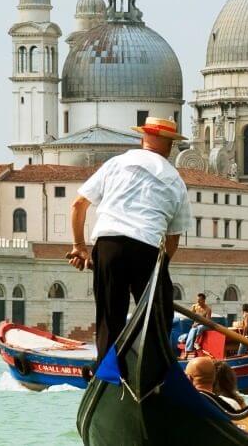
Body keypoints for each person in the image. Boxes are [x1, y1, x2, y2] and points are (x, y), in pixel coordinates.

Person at [68, 117, 192, 365]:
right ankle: (152, 371)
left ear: (142, 139)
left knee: (109, 317)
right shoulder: (176, 181)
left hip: (108, 244)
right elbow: (172, 242)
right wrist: (158, 277)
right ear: (170, 146)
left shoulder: (116, 163)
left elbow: (78, 204)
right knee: (158, 315)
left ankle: (107, 372)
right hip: (146, 247)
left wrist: (79, 247)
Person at [182, 294, 213, 359]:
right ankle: (187, 352)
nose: (198, 302)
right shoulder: (195, 306)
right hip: (196, 325)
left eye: (200, 300)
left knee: (199, 327)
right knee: (191, 332)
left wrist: (197, 323)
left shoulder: (208, 309)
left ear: (204, 300)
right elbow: (191, 315)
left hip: (205, 325)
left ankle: (196, 342)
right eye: (197, 300)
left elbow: (207, 321)